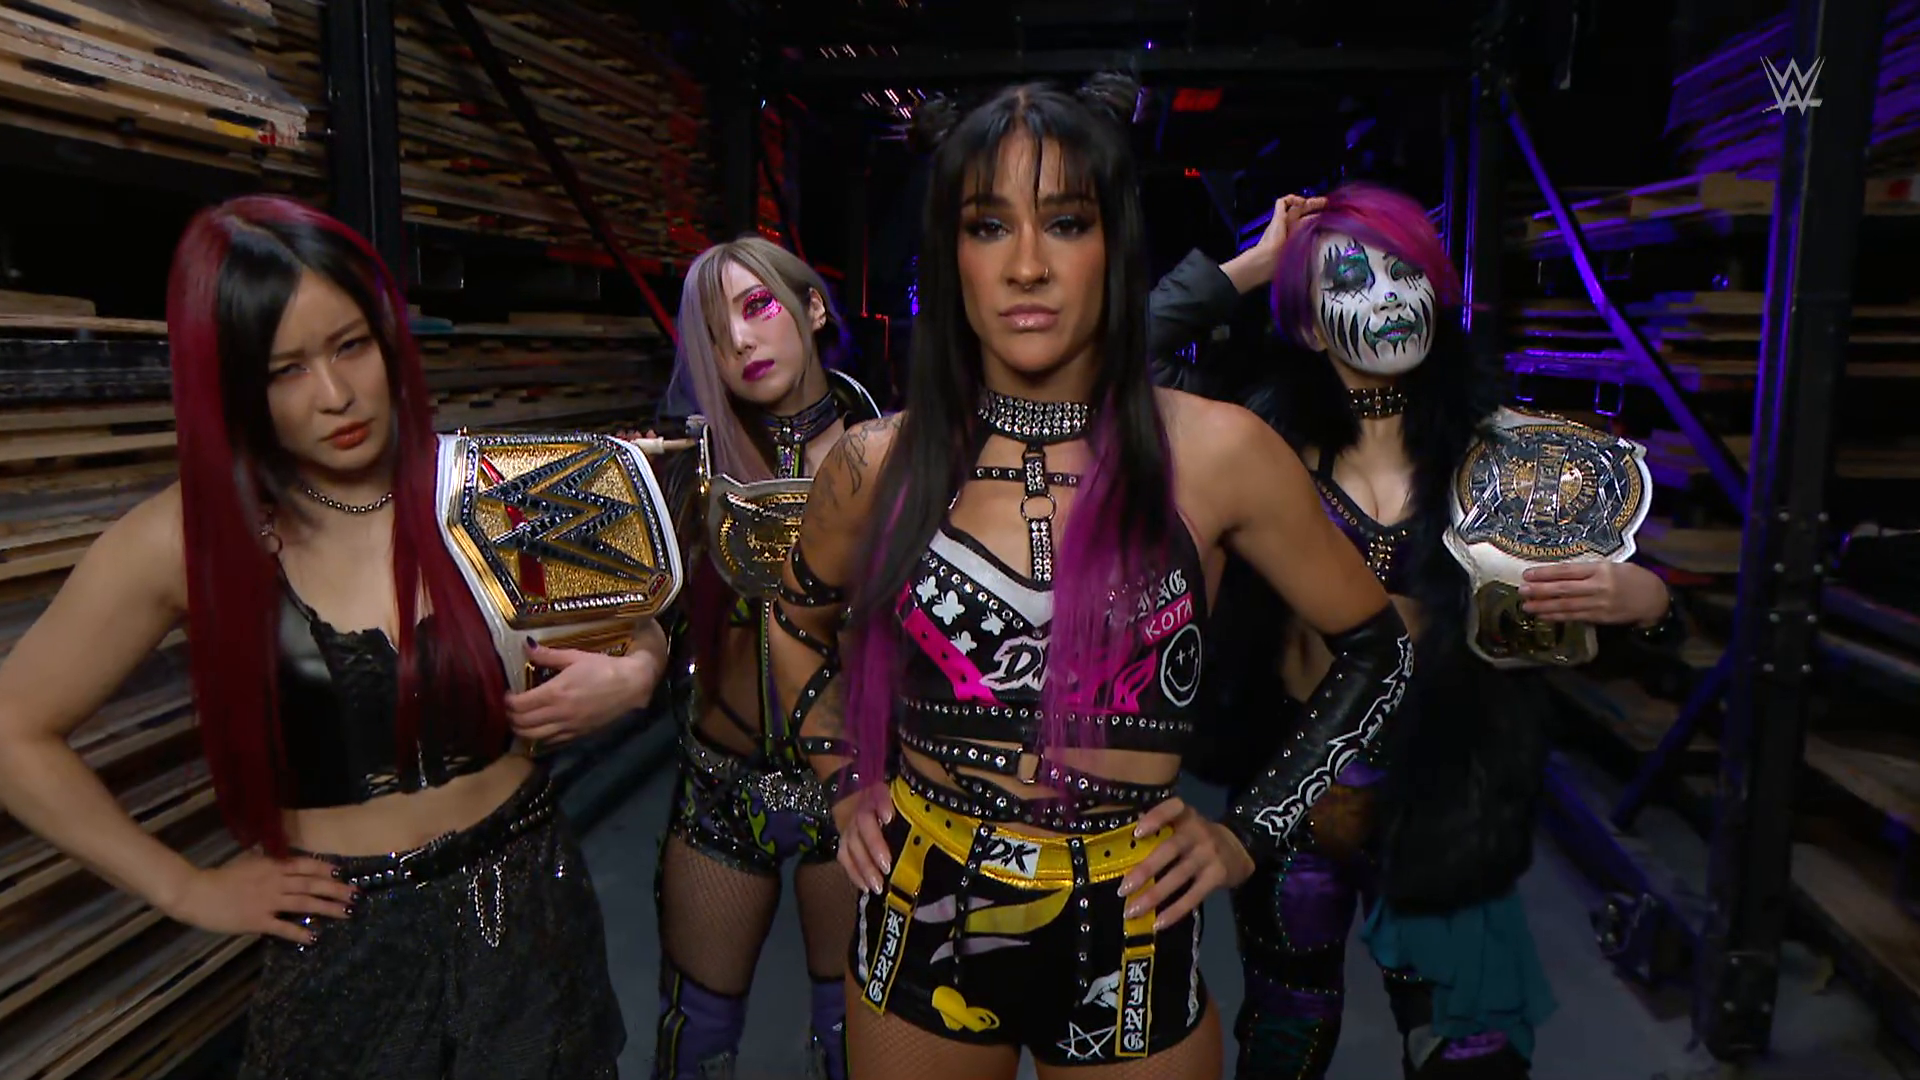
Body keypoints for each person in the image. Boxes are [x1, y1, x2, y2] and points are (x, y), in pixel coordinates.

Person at [767, 76, 1416, 1079]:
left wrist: (1250, 833)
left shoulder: (1221, 454)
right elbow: (794, 618)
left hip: (1133, 917)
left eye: (1066, 222)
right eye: (989, 226)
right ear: (950, 253)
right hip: (924, 907)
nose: (1027, 264)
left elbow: (1378, 649)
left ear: (1114, 247)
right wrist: (844, 785)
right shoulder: (874, 462)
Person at [0, 195, 670, 1079]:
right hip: (350, 934)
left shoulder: (487, 485)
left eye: (351, 345)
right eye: (285, 369)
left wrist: (638, 673)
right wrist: (184, 886)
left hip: (530, 894)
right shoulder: (187, 539)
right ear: (233, 384)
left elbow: (637, 622)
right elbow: (14, 731)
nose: (335, 395)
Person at [1148, 181, 1682, 1079]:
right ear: (1307, 323)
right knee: (1285, 1035)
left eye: (1406, 272)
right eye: (1351, 279)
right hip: (1295, 792)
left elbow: (1590, 621)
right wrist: (1255, 266)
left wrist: (1648, 602)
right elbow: (1113, 363)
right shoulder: (1253, 441)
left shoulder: (1509, 454)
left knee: (1469, 1048)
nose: (1388, 297)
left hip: (1447, 796)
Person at [649, 235, 881, 1080]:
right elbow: (643, 618)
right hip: (720, 785)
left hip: (854, 788)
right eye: (716, 332)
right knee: (694, 1039)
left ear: (813, 308)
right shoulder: (689, 467)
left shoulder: (893, 454)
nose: (742, 341)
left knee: (854, 1036)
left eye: (758, 307)